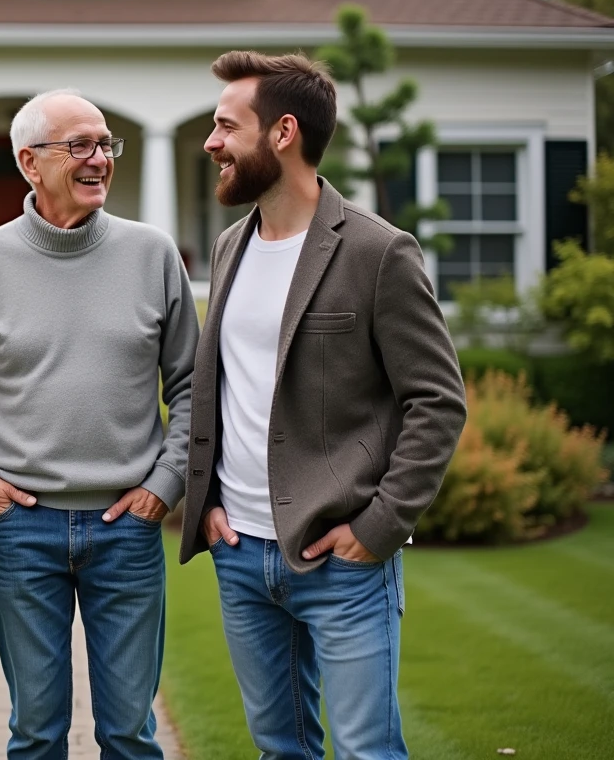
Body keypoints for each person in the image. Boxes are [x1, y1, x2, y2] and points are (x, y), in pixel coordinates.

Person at [178, 51, 467, 759]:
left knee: (368, 750)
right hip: (240, 554)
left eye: (225, 126)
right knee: (282, 748)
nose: (211, 142)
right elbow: (223, 382)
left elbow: (438, 399)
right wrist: (208, 501)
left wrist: (380, 523)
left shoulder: (378, 251)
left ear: (282, 133)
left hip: (341, 560)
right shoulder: (229, 246)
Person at [0, 89, 199, 760]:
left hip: (128, 530)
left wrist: (164, 486)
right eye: (80, 145)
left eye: (106, 143)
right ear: (30, 162)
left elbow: (194, 387)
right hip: (20, 528)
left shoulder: (154, 254)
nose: (99, 159)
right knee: (36, 735)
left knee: (131, 736)